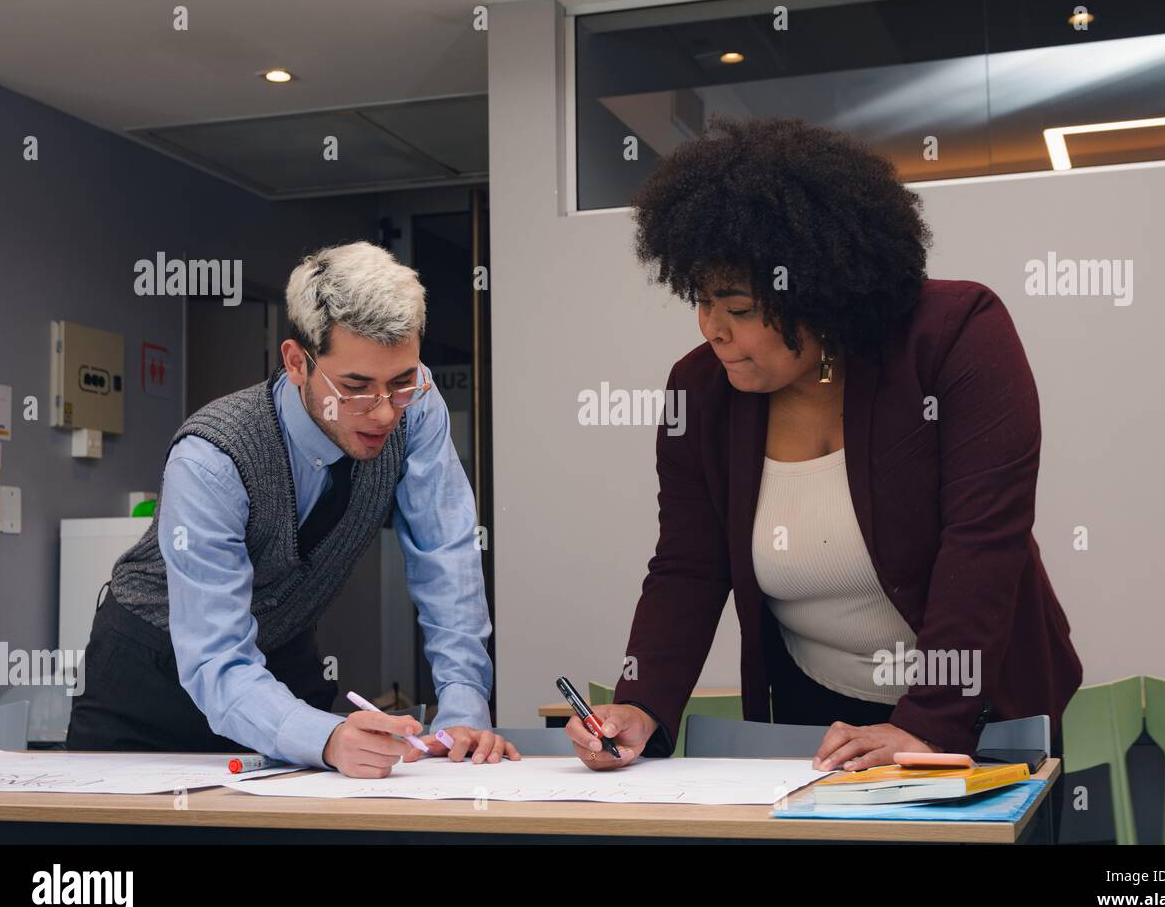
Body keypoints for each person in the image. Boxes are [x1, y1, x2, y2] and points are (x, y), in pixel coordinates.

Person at [566, 117, 1082, 833]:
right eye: (702, 300)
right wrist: (642, 705)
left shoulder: (956, 333)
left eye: (739, 309)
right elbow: (687, 564)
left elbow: (983, 541)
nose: (711, 329)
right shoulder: (701, 392)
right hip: (820, 718)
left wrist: (930, 722)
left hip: (983, 707)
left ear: (822, 293)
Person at [69, 241, 519, 777]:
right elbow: (214, 656)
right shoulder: (211, 459)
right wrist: (325, 738)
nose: (382, 413)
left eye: (399, 381)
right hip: (153, 673)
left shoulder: (417, 408)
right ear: (296, 362)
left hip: (279, 659)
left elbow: (446, 555)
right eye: (354, 387)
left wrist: (464, 707)